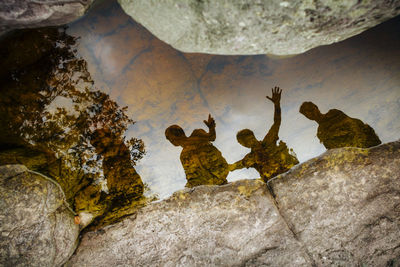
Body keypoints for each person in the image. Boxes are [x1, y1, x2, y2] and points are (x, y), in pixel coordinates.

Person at [230, 87, 299, 182]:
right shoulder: (249, 158)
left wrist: (277, 104)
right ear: (244, 145)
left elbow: (277, 122)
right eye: (246, 142)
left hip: (290, 174)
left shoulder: (268, 141)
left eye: (250, 138)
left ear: (253, 136)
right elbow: (231, 167)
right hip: (275, 183)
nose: (250, 142)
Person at [165, 114, 229, 187]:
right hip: (211, 180)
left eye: (170, 139)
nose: (171, 141)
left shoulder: (196, 134)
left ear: (172, 139)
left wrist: (211, 128)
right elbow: (212, 137)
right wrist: (211, 128)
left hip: (217, 176)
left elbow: (212, 137)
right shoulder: (184, 154)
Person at [299, 102, 381, 149]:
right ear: (307, 117)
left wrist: (361, 147)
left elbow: (353, 126)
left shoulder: (333, 113)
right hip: (351, 151)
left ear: (316, 107)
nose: (311, 114)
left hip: (365, 141)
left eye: (311, 110)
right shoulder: (321, 132)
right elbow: (332, 149)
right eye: (307, 114)